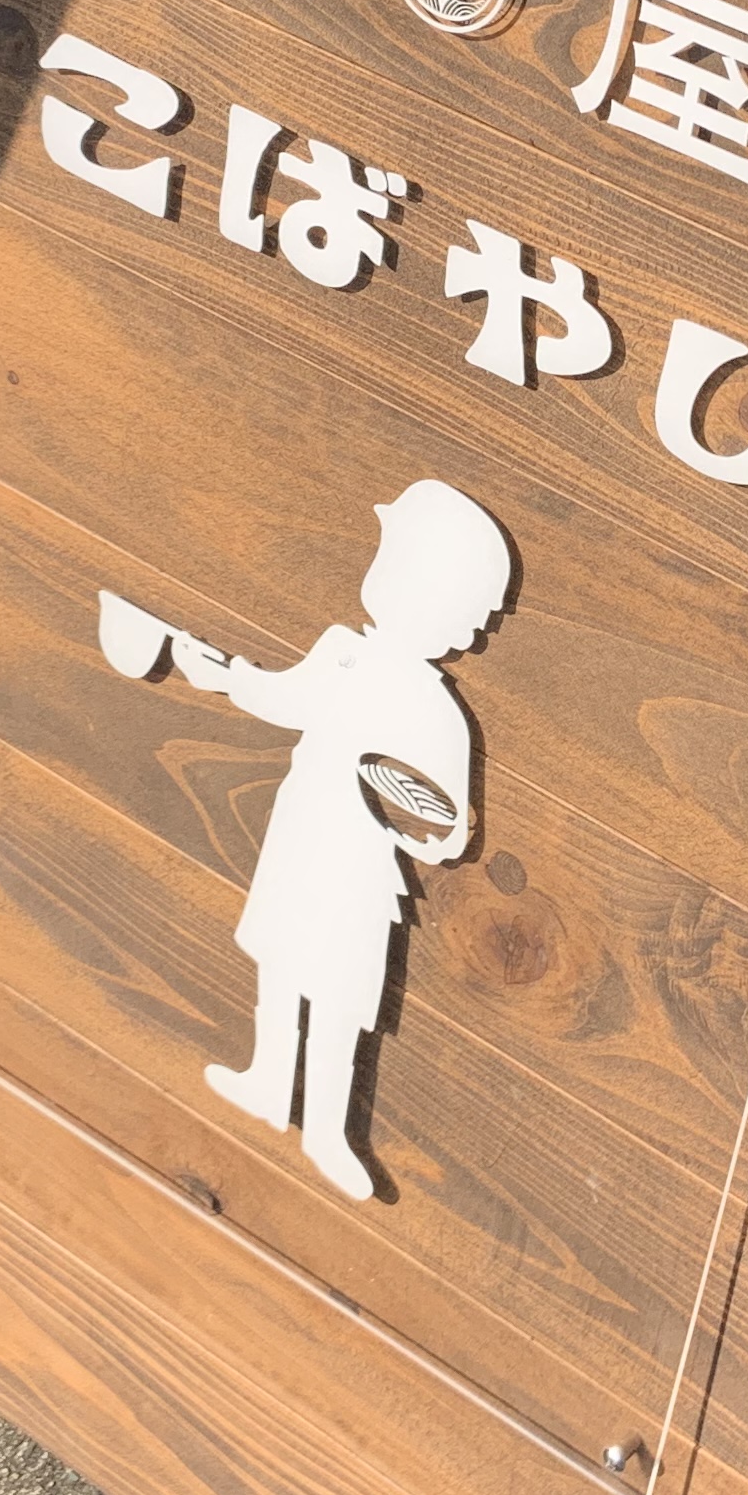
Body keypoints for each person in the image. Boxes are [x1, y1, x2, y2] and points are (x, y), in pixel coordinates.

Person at [97, 479, 512, 1200]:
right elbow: (283, 697)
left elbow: (441, 817)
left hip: (363, 864)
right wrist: (222, 673)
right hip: (304, 828)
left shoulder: (436, 707)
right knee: (283, 954)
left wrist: (437, 833)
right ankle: (267, 1077)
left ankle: (327, 1126)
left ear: (457, 621)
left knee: (340, 987)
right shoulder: (341, 652)